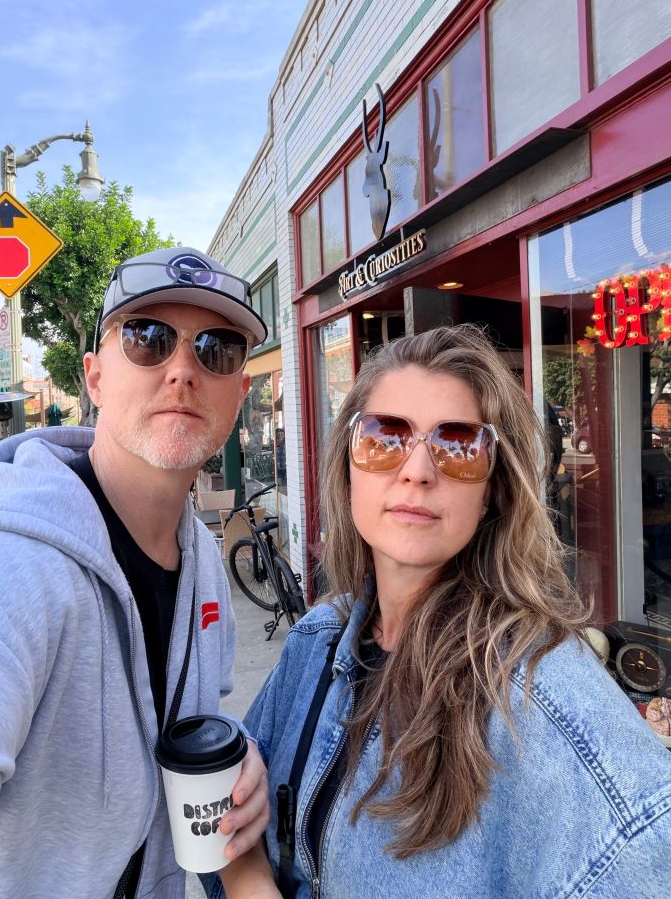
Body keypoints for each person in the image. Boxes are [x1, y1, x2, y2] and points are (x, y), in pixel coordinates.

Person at [234, 324, 671, 898]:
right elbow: (231, 800)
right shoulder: (317, 640)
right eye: (385, 436)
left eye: (458, 445)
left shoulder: (544, 706)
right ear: (347, 468)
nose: (417, 470)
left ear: (491, 490)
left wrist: (245, 878)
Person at [0, 247, 272, 898]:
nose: (182, 371)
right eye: (148, 339)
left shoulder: (204, 562)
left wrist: (237, 755)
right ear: (95, 377)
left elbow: (176, 724)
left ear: (240, 393)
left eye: (216, 350)